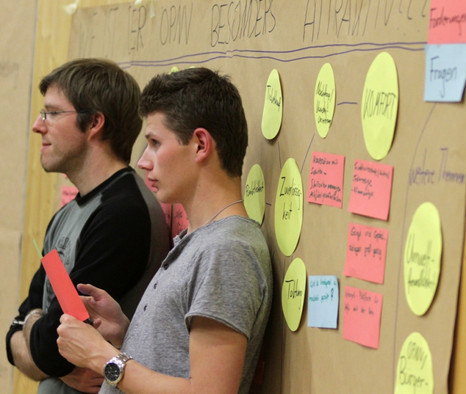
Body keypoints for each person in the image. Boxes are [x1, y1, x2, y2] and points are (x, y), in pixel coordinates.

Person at [56, 67, 273, 393]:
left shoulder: (226, 249)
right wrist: (127, 332)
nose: (142, 161)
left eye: (155, 143)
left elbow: (208, 392)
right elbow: (179, 361)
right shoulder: (202, 240)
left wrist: (102, 357)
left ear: (200, 144)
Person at [5, 58, 170, 394]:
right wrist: (41, 342)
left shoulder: (122, 215)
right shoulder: (68, 215)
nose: (38, 125)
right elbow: (16, 333)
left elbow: (52, 347)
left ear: (94, 122)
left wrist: (36, 334)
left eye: (52, 113)